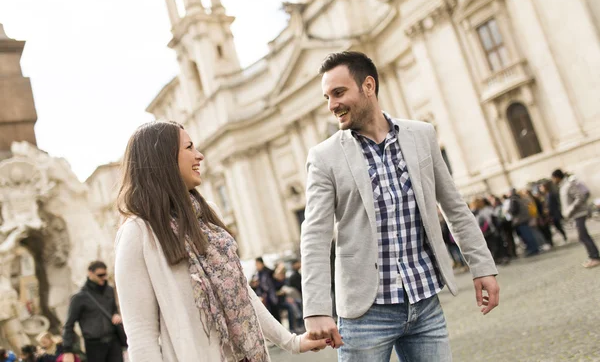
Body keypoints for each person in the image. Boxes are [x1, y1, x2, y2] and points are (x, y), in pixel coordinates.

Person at [301, 51, 499, 362]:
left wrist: (482, 266)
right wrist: (316, 309)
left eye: (339, 93)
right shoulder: (324, 157)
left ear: (369, 86)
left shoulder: (422, 134)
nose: (331, 105)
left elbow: (454, 207)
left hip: (425, 302)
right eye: (327, 97)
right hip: (365, 315)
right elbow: (315, 235)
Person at [113, 121, 328, 361]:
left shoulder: (207, 216)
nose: (200, 155)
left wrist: (292, 342)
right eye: (189, 148)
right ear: (164, 159)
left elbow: (241, 294)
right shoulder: (137, 233)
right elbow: (142, 336)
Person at [61, 261, 123, 362]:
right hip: (94, 345)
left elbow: (114, 310)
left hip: (113, 341)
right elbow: (68, 324)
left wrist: (116, 315)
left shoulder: (110, 290)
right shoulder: (79, 297)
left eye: (105, 274)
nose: (104, 278)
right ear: (90, 273)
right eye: (100, 275)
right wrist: (67, 350)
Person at [551, 169, 600, 268]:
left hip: (579, 213)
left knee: (583, 236)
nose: (552, 180)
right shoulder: (563, 186)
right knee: (583, 236)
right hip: (575, 214)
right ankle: (593, 256)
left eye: (553, 178)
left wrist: (570, 210)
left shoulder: (568, 184)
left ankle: (595, 257)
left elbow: (579, 197)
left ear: (557, 177)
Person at [254, 257, 280, 321]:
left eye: (257, 264)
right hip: (265, 296)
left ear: (261, 263)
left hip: (271, 295)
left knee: (275, 313)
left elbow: (275, 282)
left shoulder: (269, 271)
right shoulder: (258, 273)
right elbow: (260, 285)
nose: (256, 266)